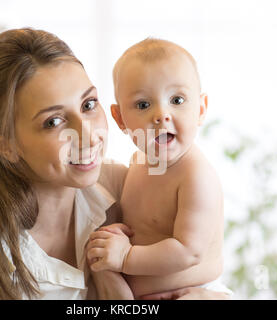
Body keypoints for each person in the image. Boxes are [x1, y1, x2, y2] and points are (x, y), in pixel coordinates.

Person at [0, 28, 132, 299]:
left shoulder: (120, 187)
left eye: (89, 104)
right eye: (53, 122)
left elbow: (199, 256)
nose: (88, 136)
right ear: (5, 145)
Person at [86, 38, 233, 300]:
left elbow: (189, 251)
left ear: (200, 109)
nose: (161, 114)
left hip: (195, 293)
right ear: (120, 119)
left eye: (176, 100)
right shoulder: (137, 164)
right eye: (143, 105)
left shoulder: (196, 176)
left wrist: (126, 256)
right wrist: (116, 232)